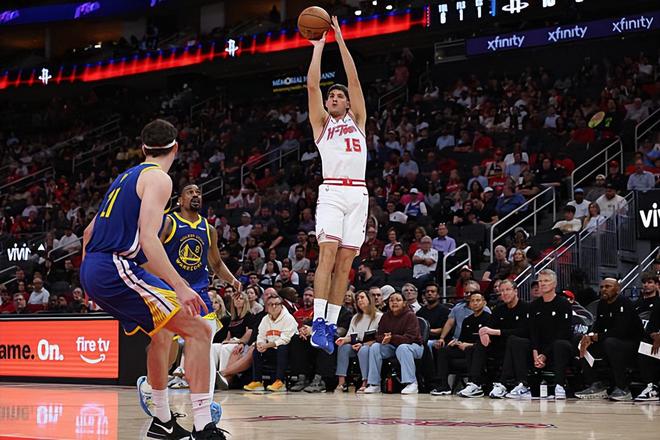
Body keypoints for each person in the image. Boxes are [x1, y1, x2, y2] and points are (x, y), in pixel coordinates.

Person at [80, 120, 227, 439]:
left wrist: (89, 279)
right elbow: (148, 239)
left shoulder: (123, 177)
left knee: (162, 334)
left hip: (98, 266)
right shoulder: (159, 178)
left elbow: (88, 232)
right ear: (176, 148)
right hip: (116, 266)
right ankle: (204, 426)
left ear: (143, 148)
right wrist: (180, 286)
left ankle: (162, 422)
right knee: (201, 330)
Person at [138, 183, 242, 422]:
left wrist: (233, 281)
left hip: (198, 293)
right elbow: (149, 253)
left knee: (206, 342)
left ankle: (207, 403)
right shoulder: (168, 222)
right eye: (190, 192)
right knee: (166, 347)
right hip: (169, 290)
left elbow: (216, 263)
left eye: (198, 192)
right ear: (179, 200)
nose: (196, 195)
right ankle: (149, 386)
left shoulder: (208, 228)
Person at [307, 17, 368, 355]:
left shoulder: (358, 120)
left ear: (347, 103)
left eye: (338, 95)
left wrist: (341, 41)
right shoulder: (321, 124)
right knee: (327, 255)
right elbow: (311, 87)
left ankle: (330, 324)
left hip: (358, 193)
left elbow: (354, 79)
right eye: (331, 95)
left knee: (345, 264)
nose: (333, 97)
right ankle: (318, 320)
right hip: (331, 191)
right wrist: (319, 48)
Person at [575, 278, 644, 401]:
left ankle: (623, 387)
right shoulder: (602, 304)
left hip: (632, 344)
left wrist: (598, 337)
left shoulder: (624, 303)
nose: (603, 289)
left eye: (608, 287)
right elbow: (598, 326)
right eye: (602, 287)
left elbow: (621, 331)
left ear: (617, 289)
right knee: (582, 343)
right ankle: (596, 384)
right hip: (610, 341)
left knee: (610, 343)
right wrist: (589, 336)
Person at [525, 269, 573, 400]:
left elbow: (563, 332)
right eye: (540, 281)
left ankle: (559, 385)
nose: (542, 283)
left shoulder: (563, 303)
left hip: (559, 346)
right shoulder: (534, 305)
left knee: (559, 344)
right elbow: (533, 331)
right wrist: (536, 352)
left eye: (546, 280)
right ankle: (522, 384)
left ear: (554, 284)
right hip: (540, 349)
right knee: (519, 342)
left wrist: (545, 354)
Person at [433, 292, 492, 396]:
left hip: (480, 349)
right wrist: (456, 343)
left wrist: (469, 345)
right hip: (464, 348)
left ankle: (475, 384)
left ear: (484, 302)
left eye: (478, 300)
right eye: (472, 301)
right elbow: (462, 339)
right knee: (444, 350)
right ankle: (444, 385)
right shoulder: (467, 320)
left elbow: (488, 341)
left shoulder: (489, 318)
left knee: (471, 349)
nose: (475, 303)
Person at [364, 292, 424, 394]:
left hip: (414, 346)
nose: (394, 302)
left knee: (403, 348)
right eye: (391, 300)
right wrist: (385, 338)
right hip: (393, 346)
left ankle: (411, 383)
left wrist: (392, 338)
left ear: (404, 303)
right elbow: (378, 335)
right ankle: (374, 384)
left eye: (398, 300)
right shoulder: (385, 316)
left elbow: (410, 338)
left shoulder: (410, 316)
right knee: (375, 347)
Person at [243, 295, 297, 392]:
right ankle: (257, 381)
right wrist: (260, 344)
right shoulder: (265, 319)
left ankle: (280, 382)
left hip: (289, 353)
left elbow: (285, 339)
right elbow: (261, 336)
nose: (274, 307)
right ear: (267, 306)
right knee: (256, 351)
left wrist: (267, 345)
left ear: (281, 305)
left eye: (276, 304)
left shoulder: (289, 318)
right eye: (271, 304)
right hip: (272, 350)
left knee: (282, 347)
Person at [213, 292, 254, 388]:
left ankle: (224, 378)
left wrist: (239, 342)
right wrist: (225, 341)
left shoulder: (249, 316)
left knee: (225, 348)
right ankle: (211, 375)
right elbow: (229, 335)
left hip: (241, 343)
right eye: (236, 299)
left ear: (245, 301)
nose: (238, 300)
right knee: (214, 347)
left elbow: (248, 333)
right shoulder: (233, 318)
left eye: (241, 298)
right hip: (231, 341)